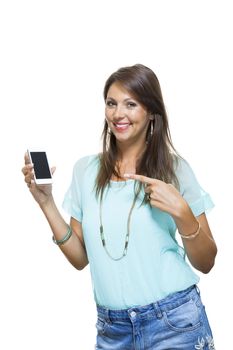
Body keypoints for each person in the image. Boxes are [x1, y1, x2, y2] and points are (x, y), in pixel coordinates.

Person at [22, 64, 217, 350]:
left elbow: (207, 262)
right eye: (111, 103)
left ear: (151, 111)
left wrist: (183, 213)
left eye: (131, 104)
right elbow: (80, 259)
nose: (118, 114)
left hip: (174, 323)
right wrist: (46, 202)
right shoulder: (86, 170)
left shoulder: (175, 170)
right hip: (113, 330)